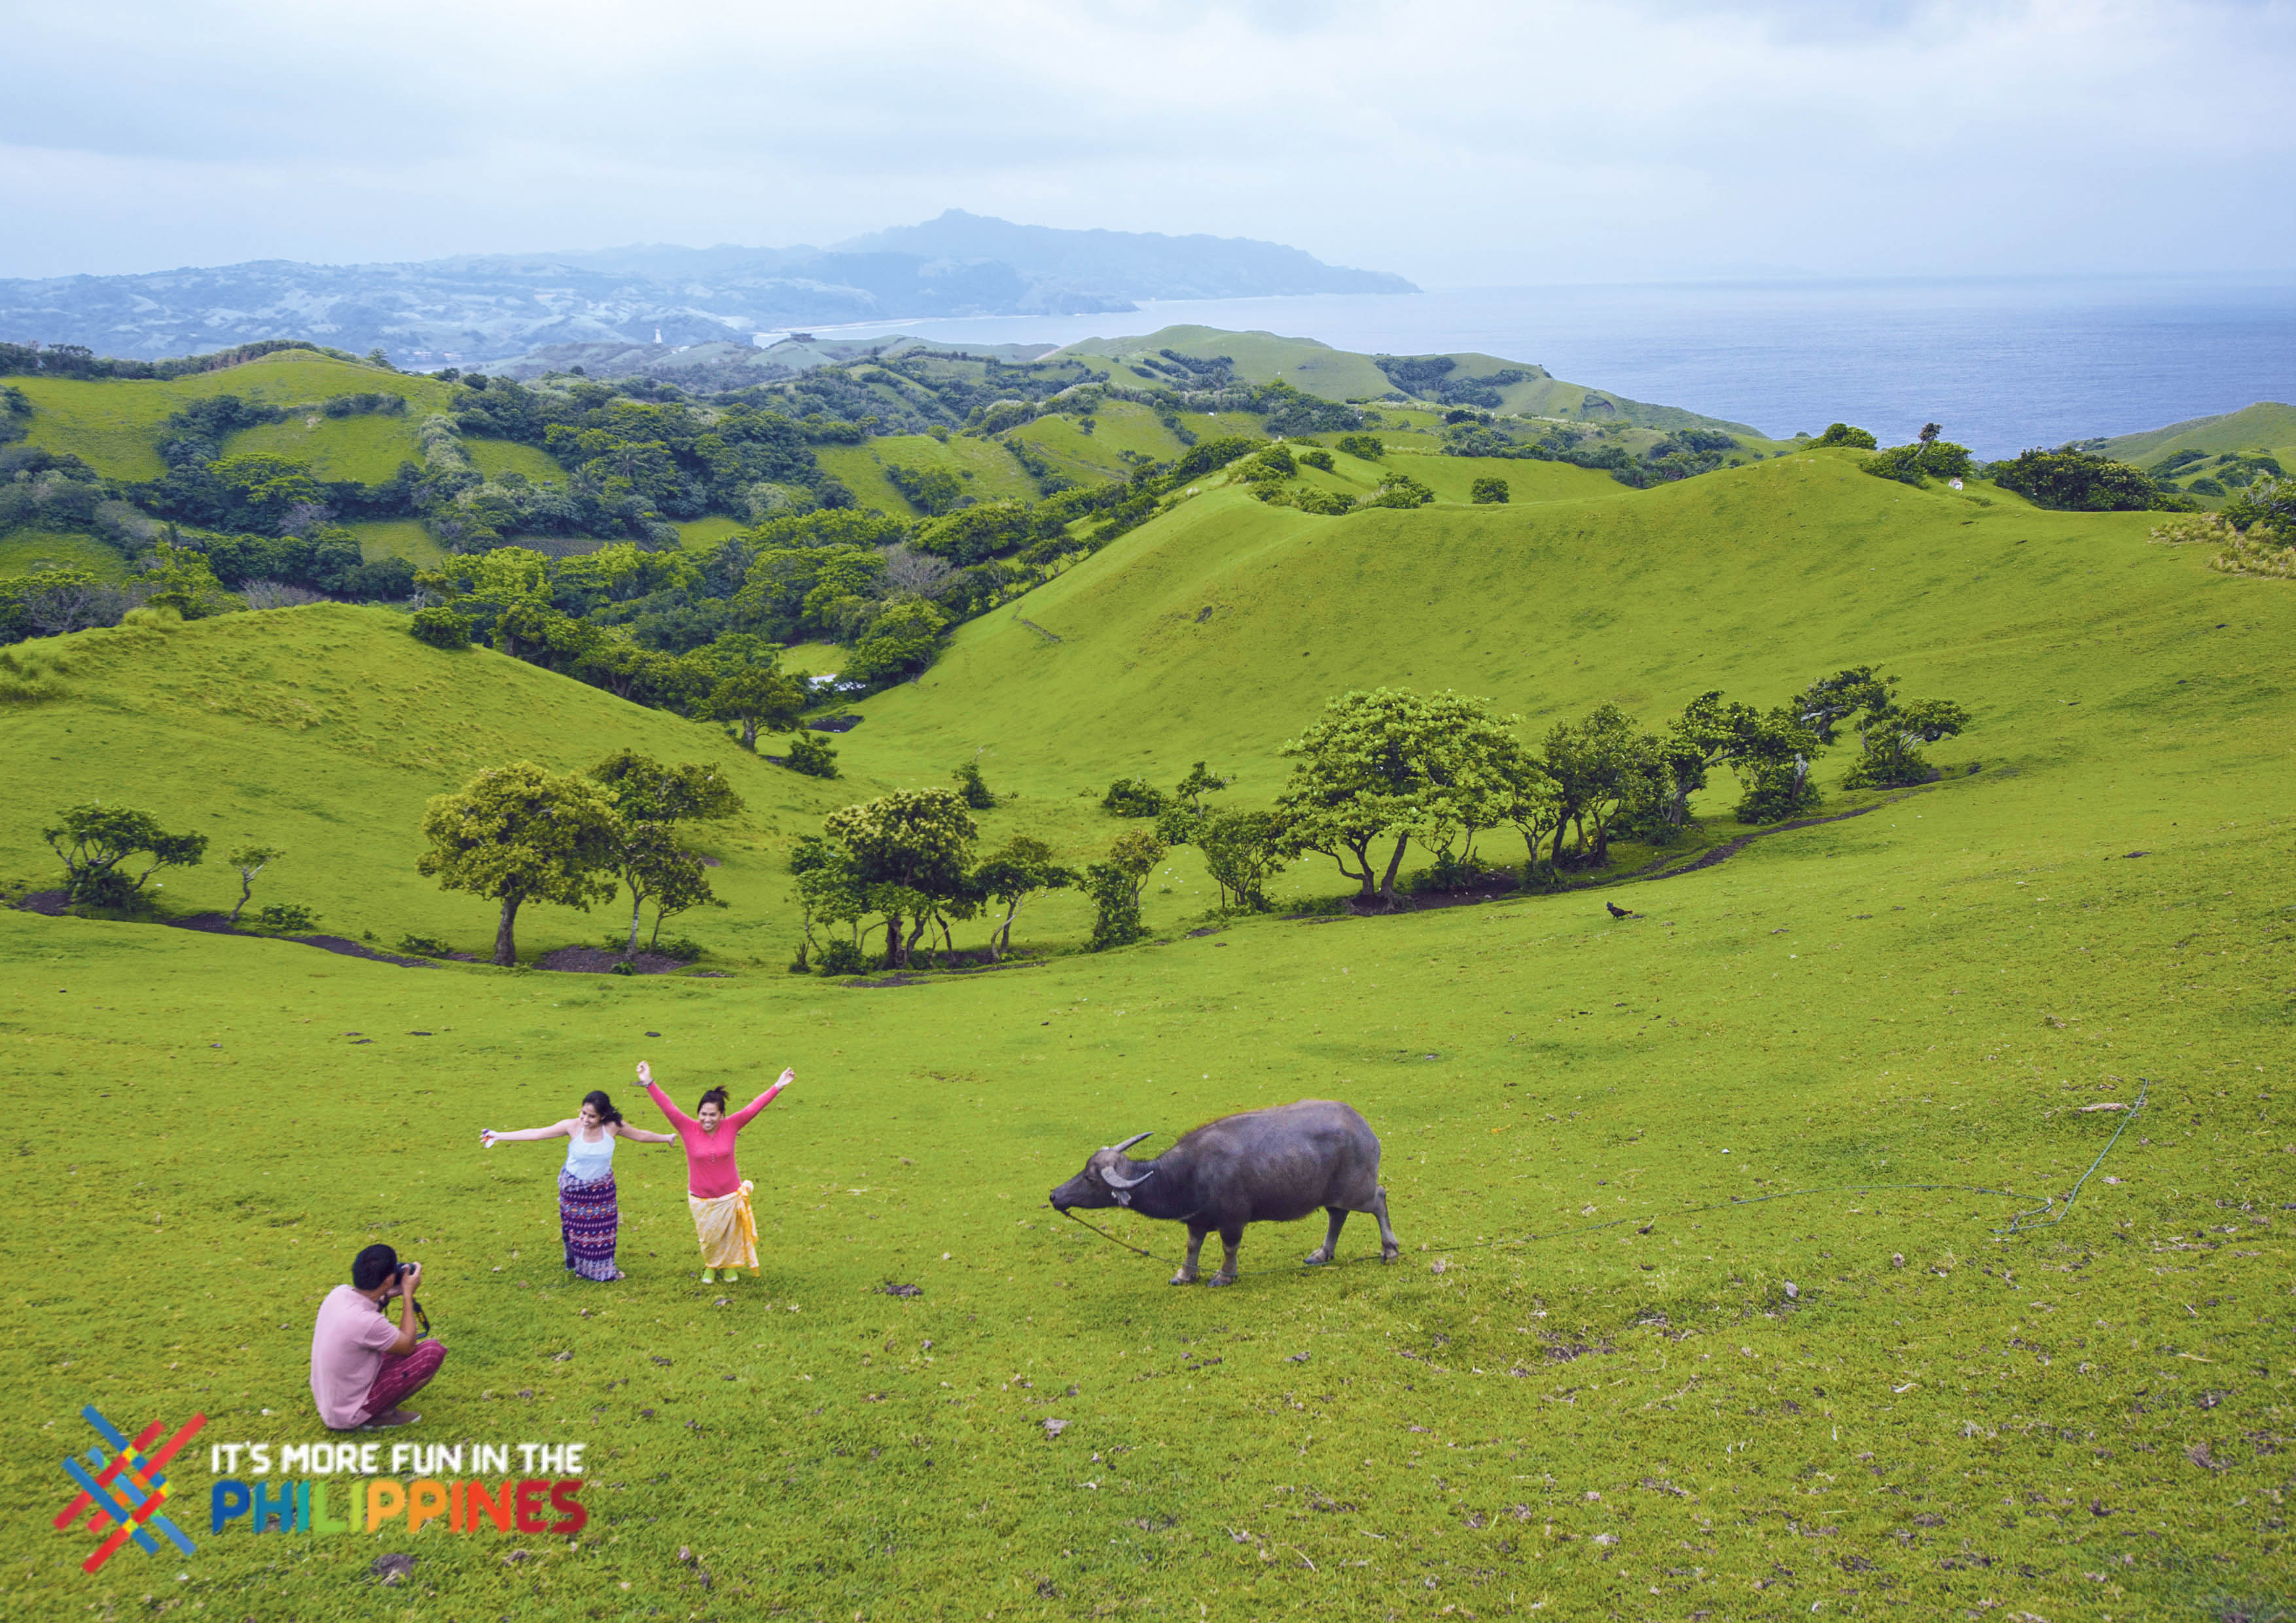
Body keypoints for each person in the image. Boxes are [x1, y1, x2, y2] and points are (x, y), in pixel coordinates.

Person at [480, 1089, 673, 1281]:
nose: (586, 1119)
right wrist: (499, 1136)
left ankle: (605, 1271)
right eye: (583, 1113)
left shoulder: (613, 1127)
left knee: (603, 1233)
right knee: (579, 1233)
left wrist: (666, 1138)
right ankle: (582, 1268)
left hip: (602, 1191)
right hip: (574, 1190)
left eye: (592, 1116)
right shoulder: (572, 1126)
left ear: (603, 1116)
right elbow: (536, 1133)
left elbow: (641, 1135)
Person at [638, 1059, 794, 1283]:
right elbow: (668, 1107)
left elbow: (754, 1107)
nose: (707, 1119)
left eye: (713, 1115)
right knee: (709, 1238)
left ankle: (728, 1266)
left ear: (722, 1115)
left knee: (729, 1235)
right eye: (703, 1114)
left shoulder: (732, 1125)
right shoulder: (687, 1127)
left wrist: (778, 1085)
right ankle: (711, 1266)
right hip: (701, 1198)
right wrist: (648, 1082)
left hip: (730, 1195)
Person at [310, 1244, 443, 1430]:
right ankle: (377, 1416)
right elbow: (407, 1346)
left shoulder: (339, 1294)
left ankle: (369, 1410)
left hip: (331, 1399)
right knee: (431, 1352)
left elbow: (365, 1329)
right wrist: (407, 1294)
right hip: (346, 1414)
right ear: (389, 1279)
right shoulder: (366, 1322)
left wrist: (385, 1297)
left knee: (392, 1346)